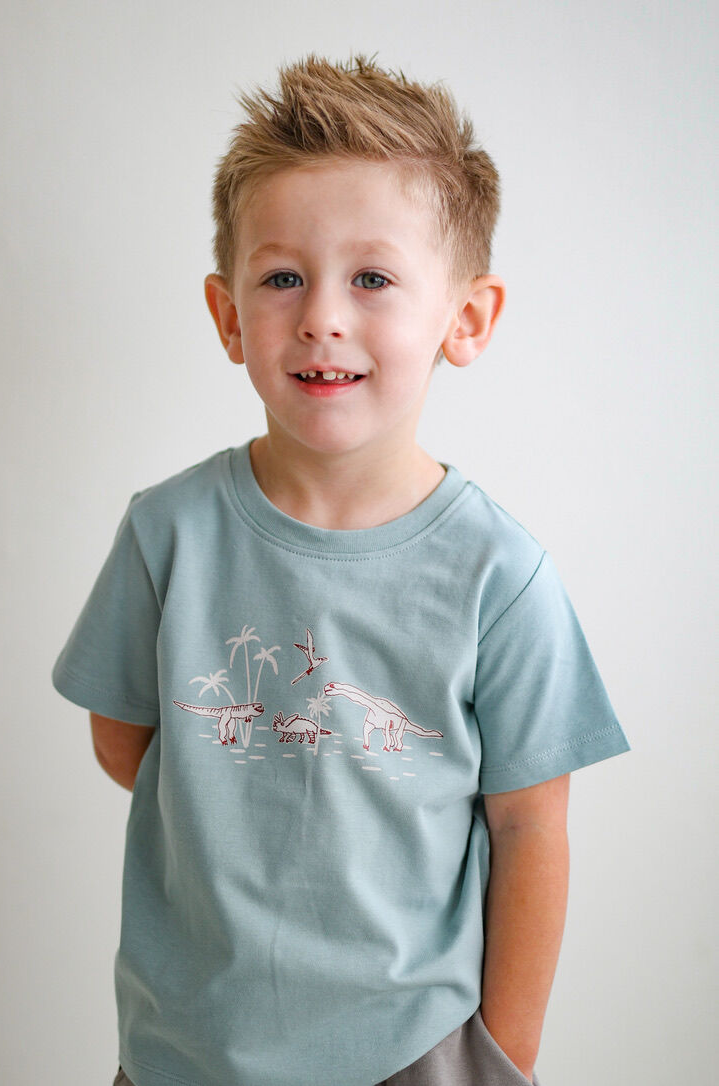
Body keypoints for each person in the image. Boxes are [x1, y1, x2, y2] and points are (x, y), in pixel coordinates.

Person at [52, 54, 629, 1086]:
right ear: (229, 316)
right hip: (184, 1052)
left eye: (372, 278)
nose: (322, 314)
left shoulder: (501, 576)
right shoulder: (166, 533)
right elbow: (123, 739)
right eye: (283, 277)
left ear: (466, 318)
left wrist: (502, 1058)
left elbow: (532, 824)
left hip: (414, 1053)